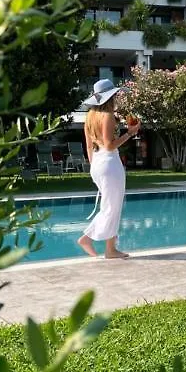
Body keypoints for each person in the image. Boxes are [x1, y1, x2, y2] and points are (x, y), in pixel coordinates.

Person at [77, 79, 140, 259]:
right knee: (112, 207)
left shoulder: (90, 116)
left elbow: (89, 147)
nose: (117, 97)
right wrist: (130, 133)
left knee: (110, 206)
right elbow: (109, 145)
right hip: (109, 163)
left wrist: (93, 168)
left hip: (97, 163)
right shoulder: (107, 116)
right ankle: (90, 240)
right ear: (110, 97)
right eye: (116, 95)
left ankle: (110, 248)